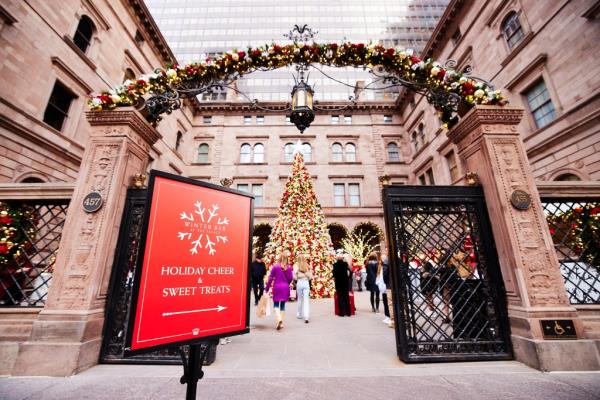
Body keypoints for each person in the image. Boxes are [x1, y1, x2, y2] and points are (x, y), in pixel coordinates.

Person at [265, 252, 293, 330]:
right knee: (283, 305)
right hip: (285, 287)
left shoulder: (275, 267)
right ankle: (280, 322)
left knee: (276, 304)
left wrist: (267, 288)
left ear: (279, 258)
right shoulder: (289, 268)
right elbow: (290, 279)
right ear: (287, 259)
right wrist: (287, 282)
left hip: (277, 287)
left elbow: (270, 278)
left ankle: (279, 319)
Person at [293, 253, 313, 323]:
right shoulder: (307, 266)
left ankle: (299, 314)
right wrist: (306, 273)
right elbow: (311, 277)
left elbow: (294, 277)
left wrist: (298, 275)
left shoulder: (296, 266)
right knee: (306, 300)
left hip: (299, 283)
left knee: (300, 299)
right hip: (306, 283)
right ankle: (306, 317)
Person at [333, 251, 352, 316]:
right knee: (346, 297)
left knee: (340, 297)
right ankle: (348, 312)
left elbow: (334, 275)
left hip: (338, 283)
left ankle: (342, 313)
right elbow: (350, 271)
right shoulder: (345, 264)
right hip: (345, 282)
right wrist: (348, 277)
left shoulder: (335, 265)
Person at [381, 254, 391, 325]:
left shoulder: (386, 263)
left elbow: (385, 274)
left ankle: (390, 317)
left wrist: (385, 282)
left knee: (389, 302)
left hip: (388, 285)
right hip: (390, 285)